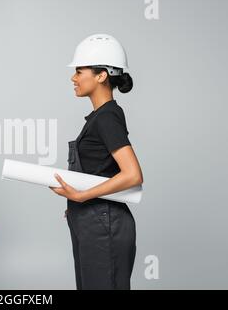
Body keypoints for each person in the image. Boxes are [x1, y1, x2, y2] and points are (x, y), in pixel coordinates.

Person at [49, 34, 143, 290]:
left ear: (102, 75)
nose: (73, 77)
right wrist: (77, 203)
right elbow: (103, 168)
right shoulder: (99, 117)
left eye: (79, 71)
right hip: (93, 219)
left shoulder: (107, 117)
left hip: (105, 222)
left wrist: (83, 196)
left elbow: (132, 175)